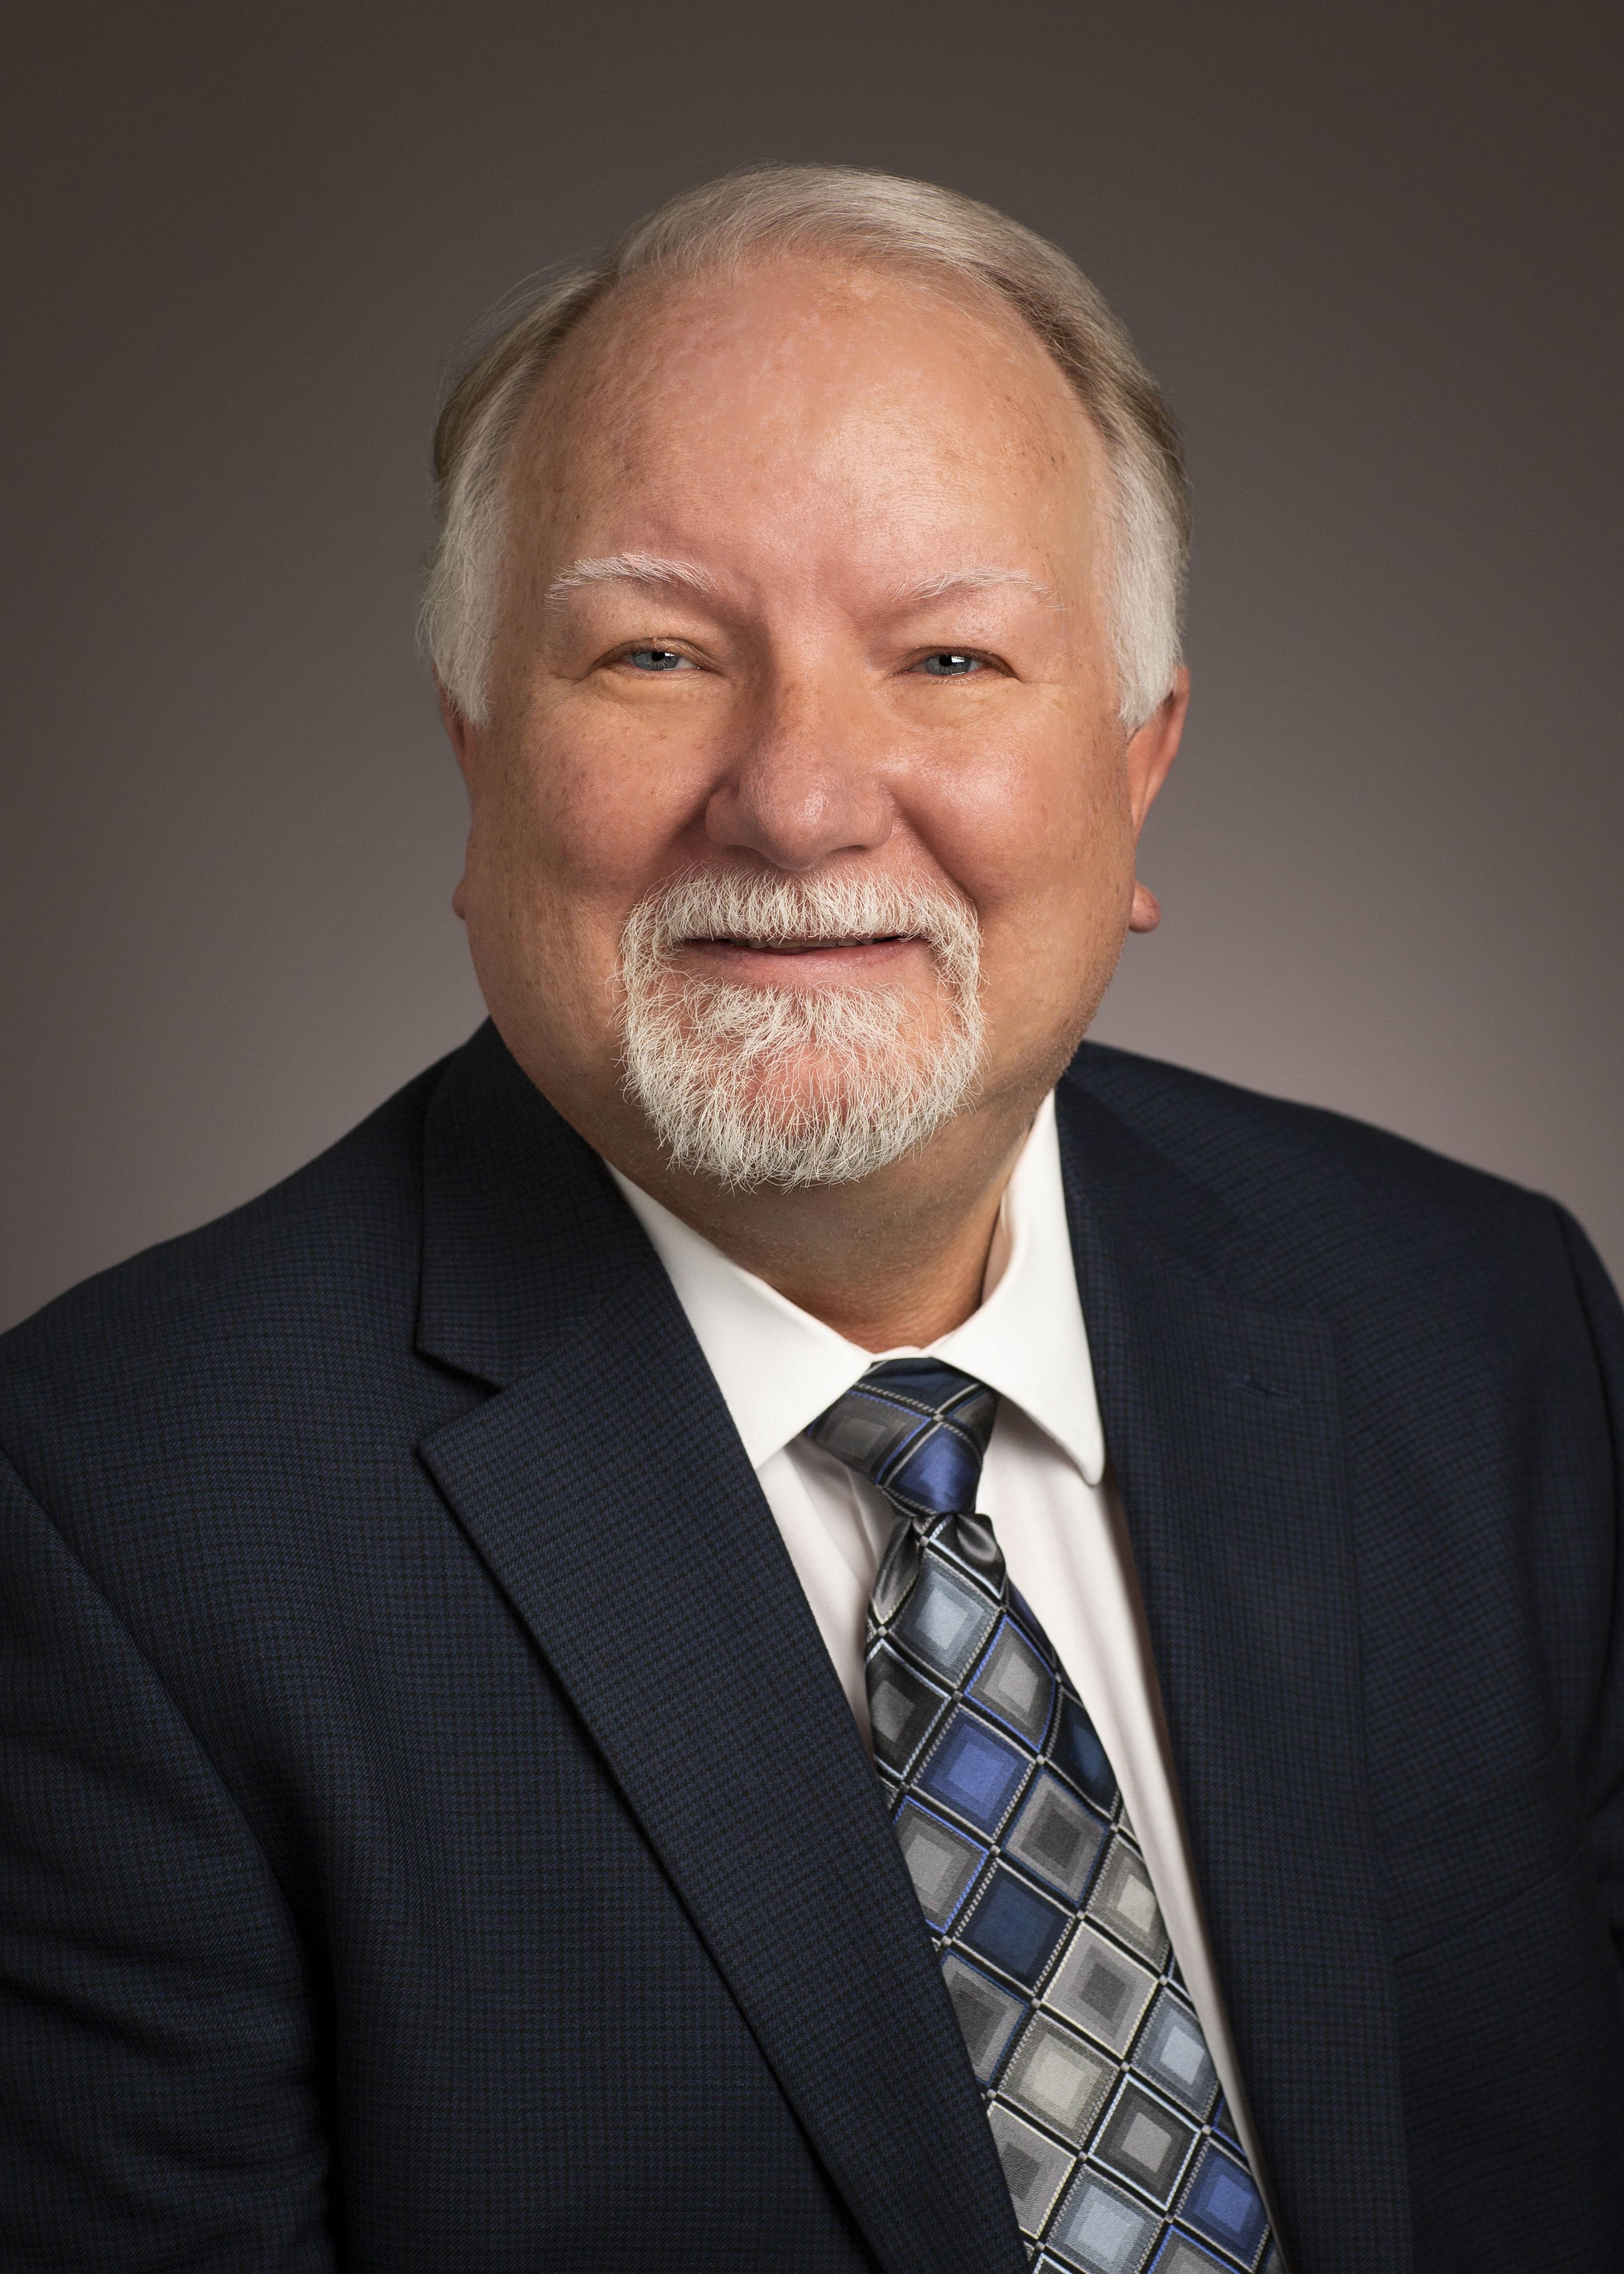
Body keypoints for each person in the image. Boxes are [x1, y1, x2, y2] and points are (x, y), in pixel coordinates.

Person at [0, 164, 1619, 2274]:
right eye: (658, 652)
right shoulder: (118, 1524)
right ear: (477, 761)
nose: (798, 795)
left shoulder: (1483, 1323)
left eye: (949, 653)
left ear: (1138, 771)